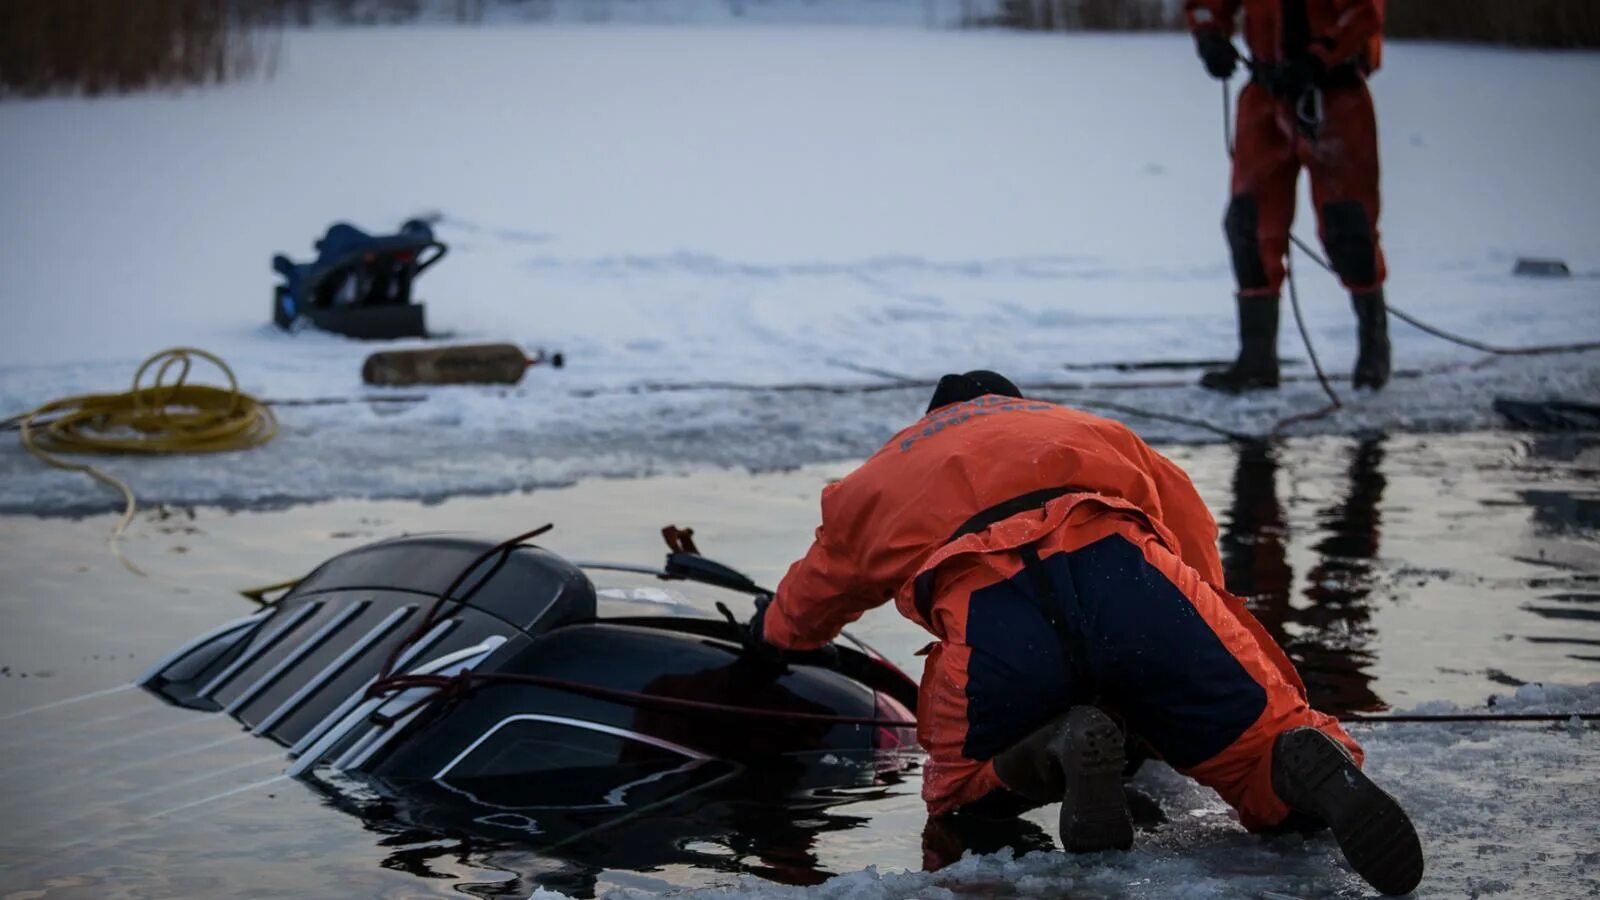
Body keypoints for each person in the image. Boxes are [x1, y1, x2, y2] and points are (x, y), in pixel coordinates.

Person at [747, 371, 1423, 896]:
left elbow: (814, 595)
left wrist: (770, 641)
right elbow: (1188, 534)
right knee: (1256, 745)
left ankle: (1055, 747)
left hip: (992, 620)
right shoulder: (1083, 427)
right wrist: (1194, 638)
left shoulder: (875, 480)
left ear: (931, 420)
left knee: (959, 804)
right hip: (1130, 578)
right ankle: (1294, 764)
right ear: (1013, 404)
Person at [1185, 0, 1392, 392]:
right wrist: (1210, 36)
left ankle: (1373, 345)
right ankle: (1257, 359)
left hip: (1334, 93)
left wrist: (1318, 57)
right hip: (1265, 94)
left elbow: (1365, 11)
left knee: (1348, 226)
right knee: (1249, 224)